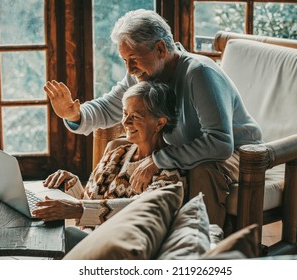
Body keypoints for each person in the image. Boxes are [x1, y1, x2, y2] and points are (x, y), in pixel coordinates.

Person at [43, 9, 262, 229]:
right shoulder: (142, 71)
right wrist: (74, 115)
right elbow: (110, 106)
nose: (129, 69)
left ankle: (201, 244)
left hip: (240, 152)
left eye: (133, 59)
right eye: (124, 60)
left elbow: (220, 143)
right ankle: (97, 219)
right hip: (186, 146)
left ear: (160, 49)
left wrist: (158, 160)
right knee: (117, 145)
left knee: (203, 171)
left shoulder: (200, 74)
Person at [33, 81, 185, 251]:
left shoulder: (169, 169)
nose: (126, 122)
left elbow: (144, 209)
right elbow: (90, 202)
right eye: (125, 113)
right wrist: (72, 184)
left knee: (58, 237)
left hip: (115, 248)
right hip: (88, 236)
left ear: (160, 123)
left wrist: (78, 209)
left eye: (135, 116)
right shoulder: (118, 152)